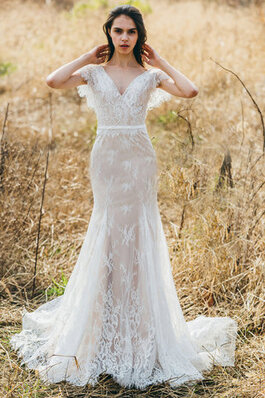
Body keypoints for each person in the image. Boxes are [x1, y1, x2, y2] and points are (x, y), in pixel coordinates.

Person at [10, 4, 238, 390]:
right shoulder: (94, 72)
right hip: (107, 160)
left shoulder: (149, 77)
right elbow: (53, 80)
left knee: (137, 238)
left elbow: (191, 90)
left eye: (131, 31)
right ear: (109, 33)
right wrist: (86, 55)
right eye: (118, 31)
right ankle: (101, 331)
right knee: (109, 234)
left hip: (139, 159)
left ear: (139, 36)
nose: (124, 37)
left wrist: (160, 59)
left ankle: (140, 333)